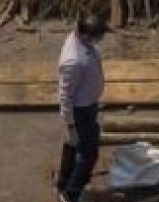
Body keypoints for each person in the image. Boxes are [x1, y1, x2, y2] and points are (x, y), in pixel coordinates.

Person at [57, 14, 108, 202]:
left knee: (73, 144)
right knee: (88, 154)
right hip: (81, 111)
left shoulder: (82, 43)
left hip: (88, 105)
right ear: (86, 36)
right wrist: (70, 125)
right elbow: (65, 95)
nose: (100, 41)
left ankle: (63, 181)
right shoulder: (73, 61)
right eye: (98, 37)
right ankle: (71, 194)